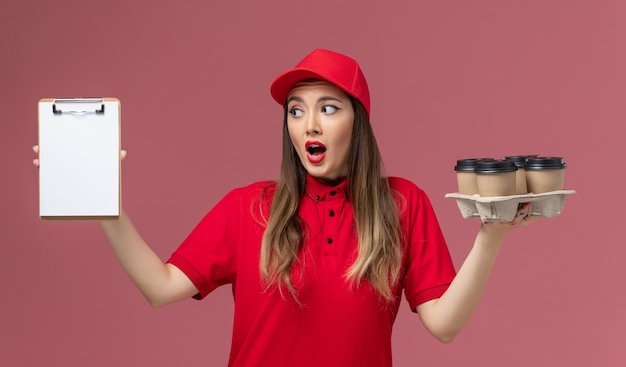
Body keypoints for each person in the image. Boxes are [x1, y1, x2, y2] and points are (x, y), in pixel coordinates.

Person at [33, 48, 535, 367]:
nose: (309, 124)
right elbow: (160, 287)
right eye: (296, 110)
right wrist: (105, 203)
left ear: (357, 123)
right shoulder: (248, 207)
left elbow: (444, 325)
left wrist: (489, 240)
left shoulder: (402, 204)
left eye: (327, 108)